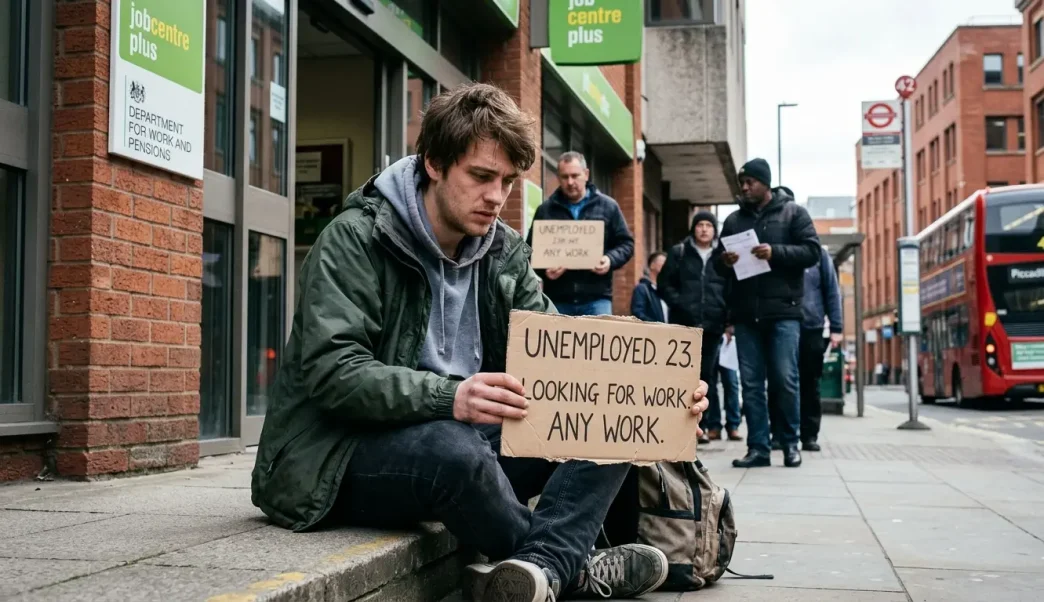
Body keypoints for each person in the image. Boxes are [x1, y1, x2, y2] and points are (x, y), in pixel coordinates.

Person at [249, 83, 710, 602]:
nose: (496, 197)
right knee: (456, 449)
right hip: (337, 454)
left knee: (611, 422)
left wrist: (664, 396)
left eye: (509, 182)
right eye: (482, 176)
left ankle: (540, 571)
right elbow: (335, 374)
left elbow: (568, 360)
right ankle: (574, 571)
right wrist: (454, 397)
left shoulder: (503, 251)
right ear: (434, 164)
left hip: (461, 439)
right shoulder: (355, 239)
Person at [713, 158, 821, 469]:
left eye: (750, 182)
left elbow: (812, 251)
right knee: (750, 384)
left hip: (784, 313)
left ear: (766, 184)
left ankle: (790, 443)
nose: (744, 188)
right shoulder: (733, 221)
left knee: (785, 379)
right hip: (747, 315)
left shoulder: (794, 213)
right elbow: (719, 269)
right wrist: (725, 260)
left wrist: (776, 252)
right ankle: (758, 447)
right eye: (742, 183)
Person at [527, 152, 635, 316]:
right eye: (564, 177)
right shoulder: (545, 210)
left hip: (597, 298)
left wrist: (609, 259)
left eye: (575, 176)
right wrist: (544, 270)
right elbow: (529, 250)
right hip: (557, 298)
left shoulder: (608, 207)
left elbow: (626, 244)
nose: (570, 182)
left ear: (586, 174)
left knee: (599, 341)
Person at [658, 211, 729, 444]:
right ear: (694, 228)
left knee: (707, 375)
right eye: (700, 225)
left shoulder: (723, 257)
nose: (704, 229)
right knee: (683, 377)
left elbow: (730, 289)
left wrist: (726, 317)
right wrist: (680, 304)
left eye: (709, 225)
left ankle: (704, 425)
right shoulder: (679, 253)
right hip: (684, 326)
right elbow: (664, 285)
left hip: (713, 325)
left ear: (714, 230)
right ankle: (682, 425)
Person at [768, 245, 843, 452]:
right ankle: (778, 433)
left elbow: (832, 290)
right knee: (778, 381)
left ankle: (809, 434)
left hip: (811, 327)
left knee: (810, 382)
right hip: (779, 324)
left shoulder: (819, 255)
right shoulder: (779, 249)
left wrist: (836, 326)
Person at [713, 331, 743, 441]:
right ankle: (714, 425)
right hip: (711, 332)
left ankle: (733, 424)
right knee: (710, 384)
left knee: (732, 382)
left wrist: (730, 329)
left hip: (727, 337)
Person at [630, 251, 668, 323]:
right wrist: (657, 325)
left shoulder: (667, 292)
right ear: (652, 265)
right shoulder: (642, 289)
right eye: (664, 262)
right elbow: (638, 314)